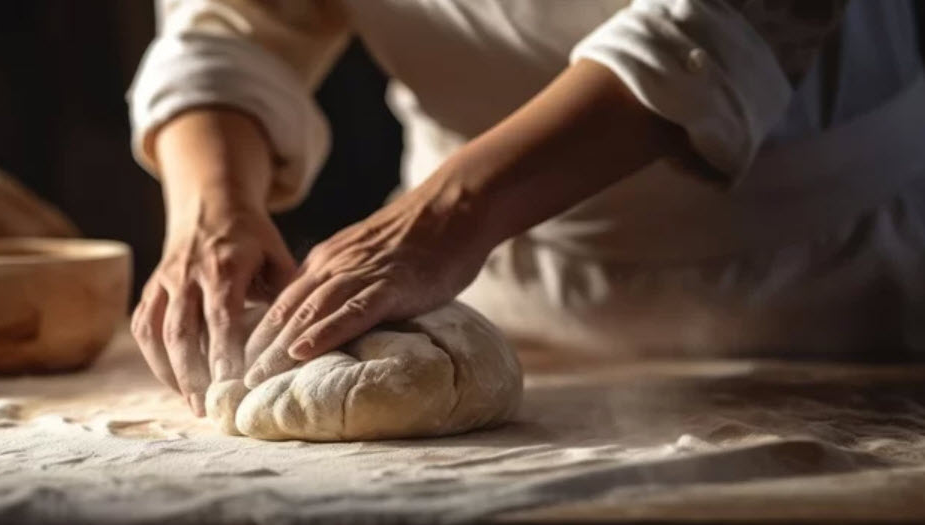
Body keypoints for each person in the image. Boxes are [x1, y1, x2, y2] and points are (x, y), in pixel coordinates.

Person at [127, 0, 925, 416]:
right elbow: (234, 28)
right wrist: (210, 209)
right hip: (471, 295)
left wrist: (449, 212)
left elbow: (719, 25)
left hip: (820, 283)